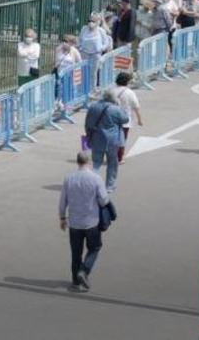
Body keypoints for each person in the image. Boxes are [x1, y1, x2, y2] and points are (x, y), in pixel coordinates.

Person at [59, 151, 109, 292]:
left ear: (77, 162)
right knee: (94, 248)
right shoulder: (96, 178)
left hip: (74, 223)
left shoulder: (69, 178)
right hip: (92, 222)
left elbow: (63, 201)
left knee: (76, 253)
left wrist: (62, 218)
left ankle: (75, 282)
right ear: (89, 162)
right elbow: (104, 200)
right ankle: (84, 270)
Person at [84, 88, 129, 193]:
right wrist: (120, 107)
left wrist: (88, 136)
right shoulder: (115, 109)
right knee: (112, 163)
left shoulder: (93, 107)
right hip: (112, 140)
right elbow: (125, 119)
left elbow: (88, 123)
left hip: (96, 138)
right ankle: (110, 186)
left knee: (96, 163)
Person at [113, 72, 143, 164]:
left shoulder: (111, 90)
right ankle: (119, 158)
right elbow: (136, 106)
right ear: (127, 82)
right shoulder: (129, 92)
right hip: (125, 119)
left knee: (112, 137)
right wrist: (139, 119)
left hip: (111, 118)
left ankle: (112, 155)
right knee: (122, 139)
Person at [79, 13, 110, 87]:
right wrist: (80, 47)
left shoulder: (101, 31)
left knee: (93, 72)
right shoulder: (84, 29)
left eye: (93, 21)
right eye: (89, 21)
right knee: (84, 72)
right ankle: (84, 88)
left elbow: (106, 42)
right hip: (85, 53)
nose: (90, 23)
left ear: (97, 22)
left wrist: (101, 49)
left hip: (95, 54)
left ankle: (93, 89)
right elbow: (80, 40)